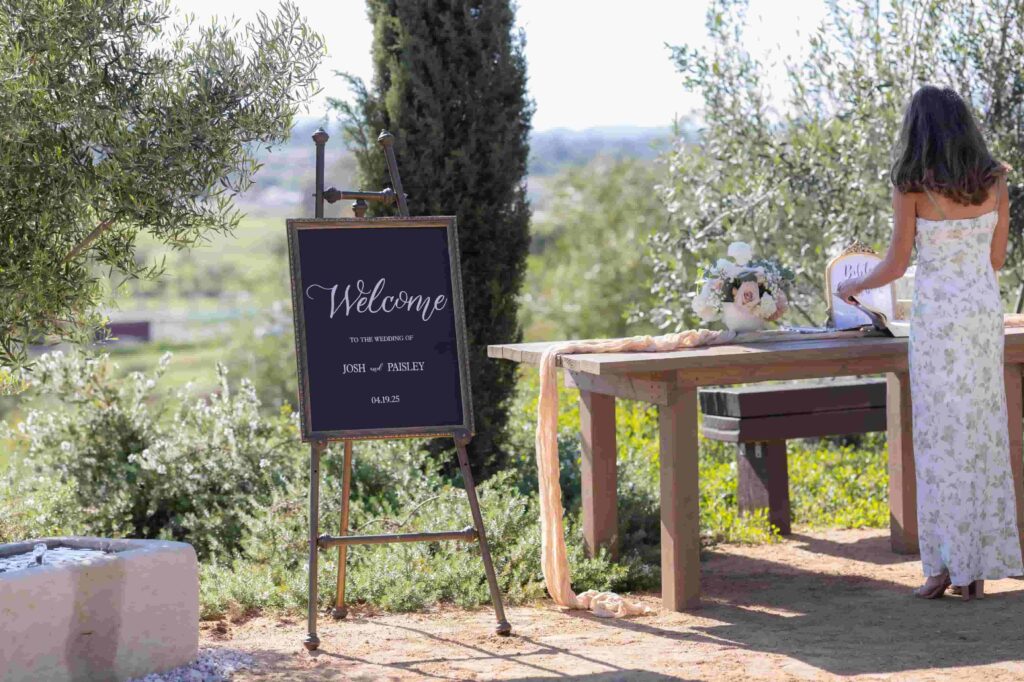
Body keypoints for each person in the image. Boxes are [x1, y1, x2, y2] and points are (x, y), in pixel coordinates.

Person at [836, 84, 1023, 600]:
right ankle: (974, 568)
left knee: (942, 440)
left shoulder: (912, 186)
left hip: (939, 320)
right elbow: (996, 259)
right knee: (980, 433)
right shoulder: (996, 180)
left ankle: (945, 568)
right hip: (981, 315)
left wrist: (853, 285)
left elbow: (896, 264)